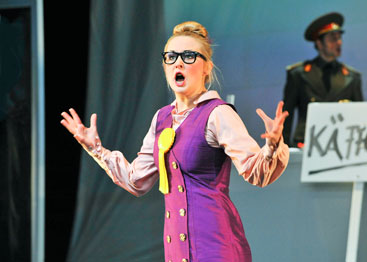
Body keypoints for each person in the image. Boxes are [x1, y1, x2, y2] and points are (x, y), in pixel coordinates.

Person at [61, 21, 289, 262]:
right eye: (171, 56)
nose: (178, 62)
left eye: (189, 56)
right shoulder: (161, 118)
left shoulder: (217, 113)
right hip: (177, 248)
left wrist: (272, 146)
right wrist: (95, 148)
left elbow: (256, 172)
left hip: (215, 244)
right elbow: (137, 181)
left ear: (206, 69)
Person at [283, 12, 363, 148]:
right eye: (333, 39)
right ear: (319, 43)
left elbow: (361, 117)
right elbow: (286, 115)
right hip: (306, 143)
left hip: (342, 144)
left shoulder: (351, 76)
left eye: (339, 38)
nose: (338, 43)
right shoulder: (299, 74)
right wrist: (283, 150)